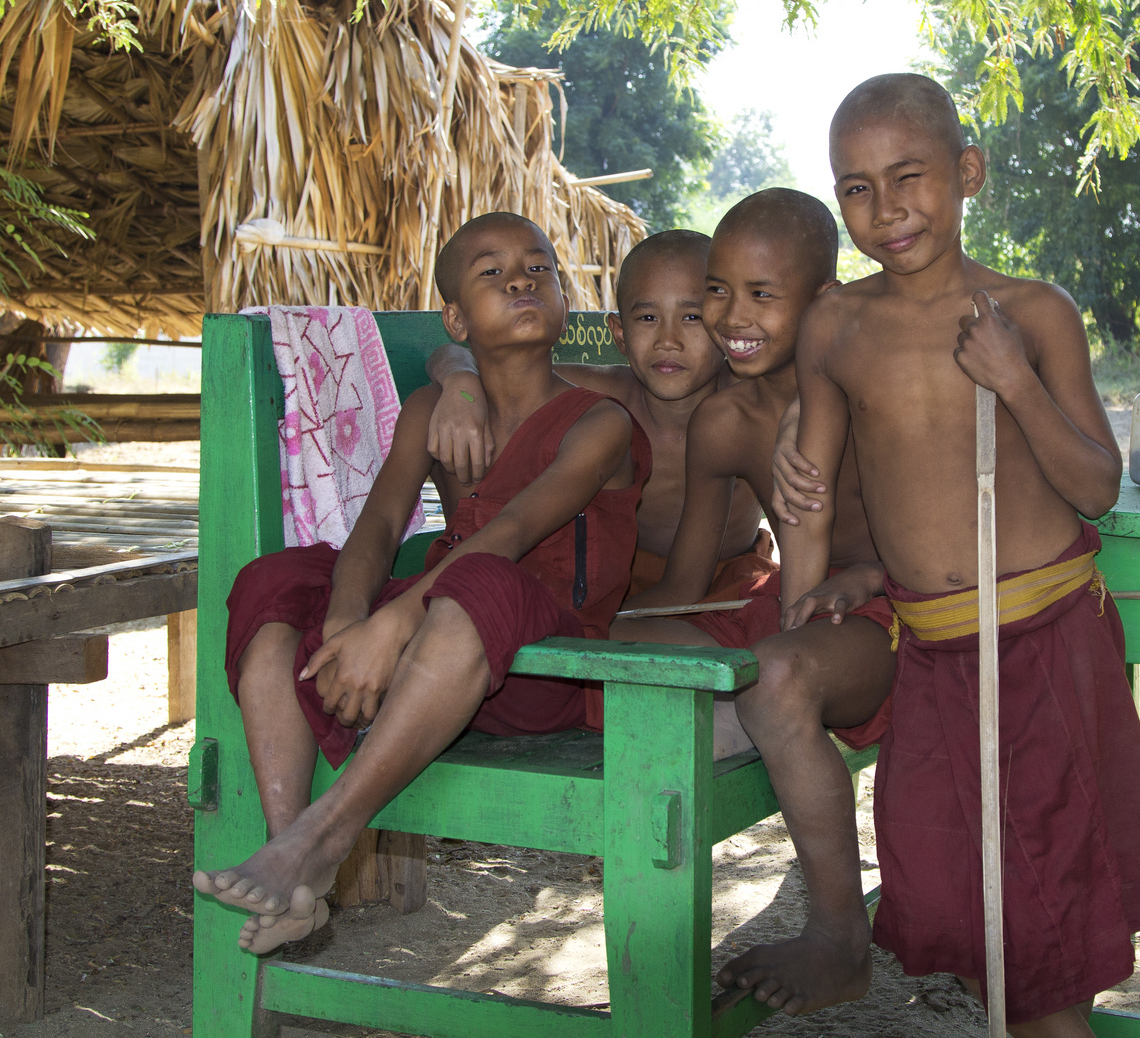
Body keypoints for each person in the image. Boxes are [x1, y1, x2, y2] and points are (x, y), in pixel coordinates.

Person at [777, 74, 1140, 1037]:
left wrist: (1015, 383)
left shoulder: (1029, 313)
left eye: (909, 176)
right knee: (953, 888)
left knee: (1041, 914)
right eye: (857, 189)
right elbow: (815, 486)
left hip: (1040, 643)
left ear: (968, 173)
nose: (886, 210)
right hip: (931, 650)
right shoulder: (835, 325)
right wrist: (812, 592)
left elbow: (1096, 485)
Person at [194, 212, 649, 955]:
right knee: (277, 578)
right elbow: (376, 528)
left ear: (565, 301)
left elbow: (507, 537)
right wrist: (347, 621)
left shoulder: (598, 423)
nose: (521, 283)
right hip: (434, 647)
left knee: (481, 582)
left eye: (539, 270)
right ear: (456, 317)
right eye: (492, 274)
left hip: (543, 671)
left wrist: (391, 625)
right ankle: (293, 872)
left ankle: (326, 834)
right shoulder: (434, 410)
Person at [614, 188, 899, 1016]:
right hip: (789, 612)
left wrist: (872, 577)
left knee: (774, 679)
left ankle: (842, 940)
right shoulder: (727, 420)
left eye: (761, 295)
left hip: (892, 612)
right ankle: (757, 723)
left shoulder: (871, 382)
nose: (731, 316)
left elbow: (946, 533)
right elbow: (684, 585)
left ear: (821, 299)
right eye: (719, 290)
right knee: (625, 653)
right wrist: (599, 628)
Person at [423, 229, 774, 602]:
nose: (667, 340)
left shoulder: (752, 406)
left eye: (691, 316)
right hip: (615, 580)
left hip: (733, 582)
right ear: (620, 335)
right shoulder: (598, 397)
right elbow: (452, 355)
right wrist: (461, 384)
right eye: (649, 317)